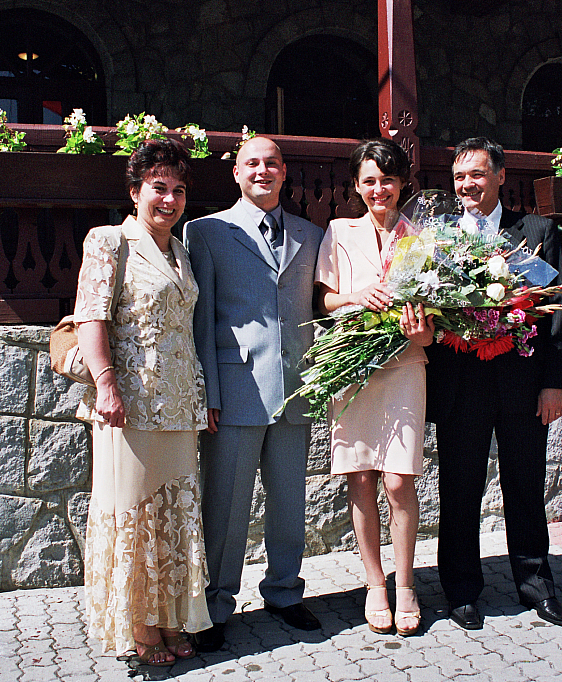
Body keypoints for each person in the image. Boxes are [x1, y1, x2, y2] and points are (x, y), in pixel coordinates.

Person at [425, 137, 562, 630]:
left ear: (499, 176)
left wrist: (555, 384)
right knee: (460, 489)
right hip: (460, 386)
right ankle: (462, 591)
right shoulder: (438, 236)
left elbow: (557, 312)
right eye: (459, 178)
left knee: (526, 487)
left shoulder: (534, 232)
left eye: (476, 175)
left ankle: (536, 585)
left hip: (523, 386)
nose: (467, 185)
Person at [74, 139, 212, 666]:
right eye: (159, 188)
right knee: (134, 513)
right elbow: (91, 315)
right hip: (128, 403)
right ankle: (138, 625)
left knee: (172, 512)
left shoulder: (179, 250)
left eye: (178, 190)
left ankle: (171, 617)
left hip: (177, 402)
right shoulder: (110, 241)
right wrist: (106, 384)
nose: (169, 199)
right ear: (135, 192)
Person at [184, 136, 324, 652]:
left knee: (290, 500)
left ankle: (285, 591)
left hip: (295, 388)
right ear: (236, 174)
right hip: (236, 388)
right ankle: (217, 603)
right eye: (251, 164)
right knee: (225, 507)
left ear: (284, 172)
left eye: (271, 163)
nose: (262, 171)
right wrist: (209, 393)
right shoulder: (206, 232)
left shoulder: (311, 234)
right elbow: (202, 320)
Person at [314, 139, 433, 636]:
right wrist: (358, 296)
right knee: (360, 476)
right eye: (369, 180)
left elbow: (436, 325)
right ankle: (374, 584)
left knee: (399, 479)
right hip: (352, 365)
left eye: (387, 179)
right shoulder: (340, 231)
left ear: (401, 182)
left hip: (406, 363)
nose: (378, 189)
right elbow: (325, 301)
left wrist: (420, 332)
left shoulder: (425, 237)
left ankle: (406, 584)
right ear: (357, 185)